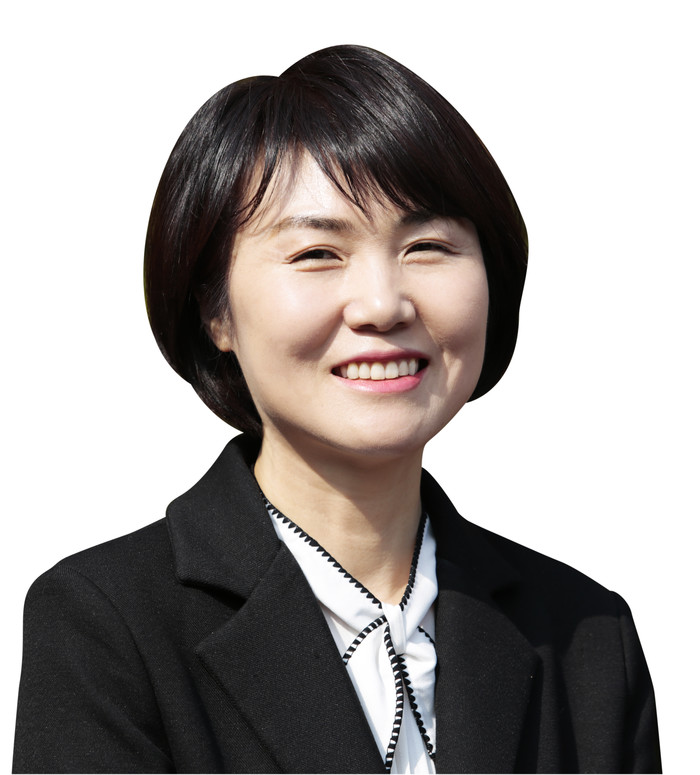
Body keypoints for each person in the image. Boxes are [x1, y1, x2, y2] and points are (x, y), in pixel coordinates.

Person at [13, 45, 661, 773]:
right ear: (215, 310)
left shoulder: (585, 636)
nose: (383, 304)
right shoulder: (108, 626)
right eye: (317, 253)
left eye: (427, 245)